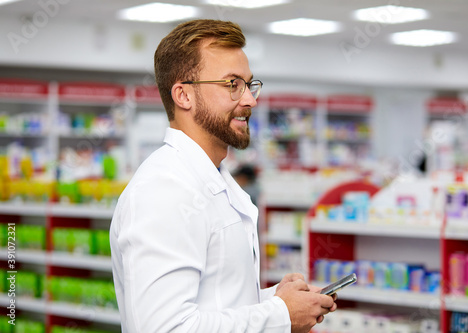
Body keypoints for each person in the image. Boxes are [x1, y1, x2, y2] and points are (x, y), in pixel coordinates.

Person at [110, 19, 336, 333]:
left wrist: (278, 301)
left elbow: (214, 303)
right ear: (184, 96)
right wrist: (280, 316)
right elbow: (166, 328)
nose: (250, 100)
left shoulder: (213, 178)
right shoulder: (164, 191)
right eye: (232, 84)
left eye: (249, 84)